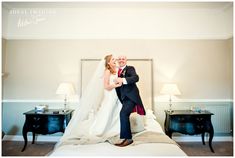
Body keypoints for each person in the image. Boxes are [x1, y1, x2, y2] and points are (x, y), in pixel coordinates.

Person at [114, 55, 146, 147]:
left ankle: (128, 139)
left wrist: (122, 79)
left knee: (123, 114)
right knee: (123, 114)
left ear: (126, 60)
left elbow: (136, 78)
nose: (121, 60)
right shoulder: (116, 71)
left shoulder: (130, 68)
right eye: (119, 59)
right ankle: (125, 138)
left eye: (123, 59)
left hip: (131, 97)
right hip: (123, 98)